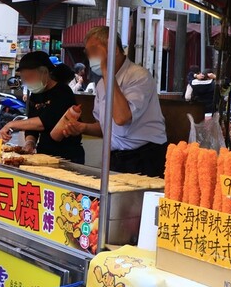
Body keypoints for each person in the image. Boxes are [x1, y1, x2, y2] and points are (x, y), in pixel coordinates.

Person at [61, 26, 167, 176]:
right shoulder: (100, 84)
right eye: (88, 53)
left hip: (145, 156)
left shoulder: (139, 76)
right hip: (116, 157)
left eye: (95, 51)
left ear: (115, 50)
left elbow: (122, 118)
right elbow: (105, 127)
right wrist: (82, 127)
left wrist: (106, 70)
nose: (91, 57)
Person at [0, 51, 85, 163]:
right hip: (44, 153)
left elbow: (44, 122)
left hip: (67, 155)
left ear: (44, 73)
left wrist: (12, 124)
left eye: (30, 76)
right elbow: (32, 125)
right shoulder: (36, 94)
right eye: (24, 78)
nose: (27, 81)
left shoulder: (62, 92)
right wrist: (30, 142)